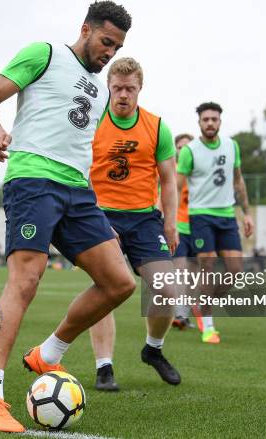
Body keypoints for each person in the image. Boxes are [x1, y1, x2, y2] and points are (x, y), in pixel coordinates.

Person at [0, 1, 134, 432]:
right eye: (105, 42)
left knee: (120, 282)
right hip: (32, 180)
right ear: (85, 29)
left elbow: (79, 148)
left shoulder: (100, 90)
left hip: (78, 192)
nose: (109, 53)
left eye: (116, 47)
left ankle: (49, 353)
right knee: (26, 279)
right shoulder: (43, 54)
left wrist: (96, 207)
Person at [88, 57, 181, 391]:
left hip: (144, 219)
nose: (123, 95)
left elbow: (169, 180)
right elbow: (76, 170)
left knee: (167, 288)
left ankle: (153, 349)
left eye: (130, 88)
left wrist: (170, 223)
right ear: (108, 87)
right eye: (117, 88)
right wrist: (90, 216)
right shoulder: (93, 122)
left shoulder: (157, 127)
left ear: (140, 88)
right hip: (99, 216)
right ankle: (104, 368)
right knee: (106, 289)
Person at [176, 102, 254, 344]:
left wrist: (247, 213)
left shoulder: (232, 146)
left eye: (214, 119)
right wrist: (167, 218)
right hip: (200, 216)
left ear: (220, 121)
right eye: (205, 119)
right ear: (199, 122)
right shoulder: (190, 151)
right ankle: (208, 326)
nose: (210, 123)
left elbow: (238, 181)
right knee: (207, 266)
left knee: (235, 270)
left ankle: (202, 303)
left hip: (227, 216)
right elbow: (176, 187)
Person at [171, 133, 198, 330]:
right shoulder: (169, 173)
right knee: (180, 272)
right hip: (178, 228)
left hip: (199, 229)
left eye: (187, 147)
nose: (183, 150)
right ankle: (179, 315)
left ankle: (185, 314)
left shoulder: (200, 174)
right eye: (179, 147)